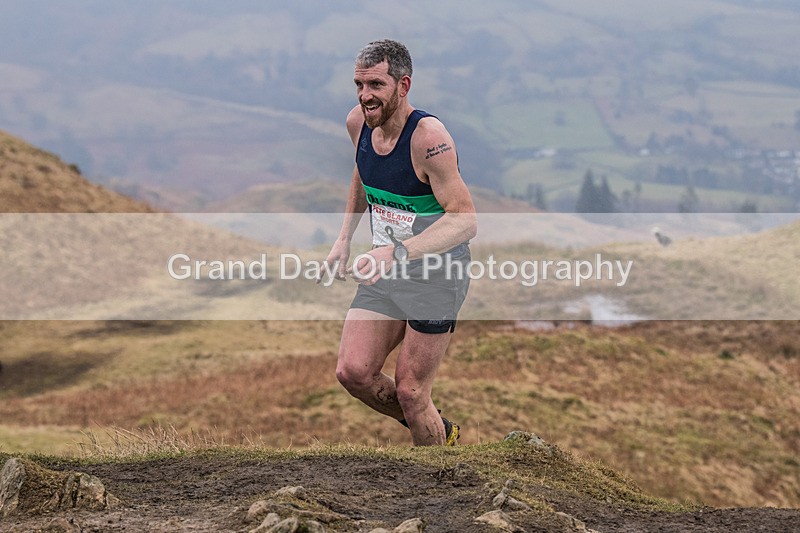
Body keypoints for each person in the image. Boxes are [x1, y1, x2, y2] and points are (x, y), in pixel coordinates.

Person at [320, 39, 477, 446]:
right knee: (353, 372)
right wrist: (344, 239)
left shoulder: (429, 140)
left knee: (411, 392)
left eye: (376, 84)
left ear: (403, 86)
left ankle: (437, 473)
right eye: (359, 84)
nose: (365, 95)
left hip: (436, 276)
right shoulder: (358, 123)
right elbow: (363, 173)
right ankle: (439, 429)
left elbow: (465, 220)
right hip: (386, 271)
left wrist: (398, 251)